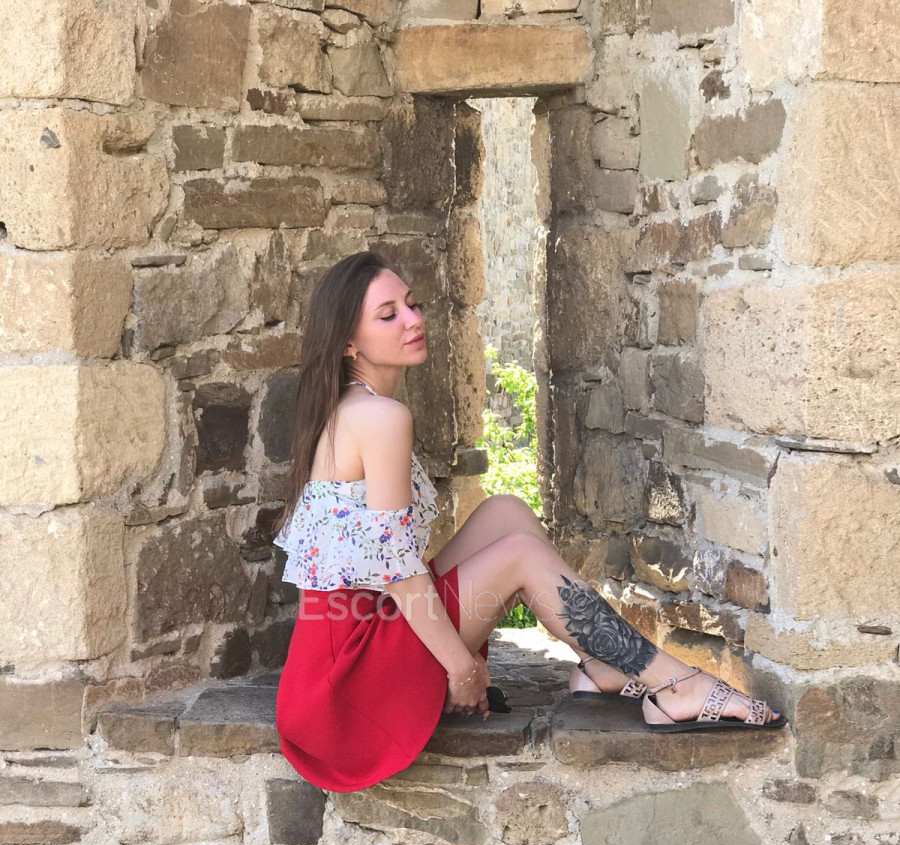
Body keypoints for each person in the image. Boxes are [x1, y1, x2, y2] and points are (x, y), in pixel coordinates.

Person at [273, 251, 785, 792]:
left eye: (412, 304)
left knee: (504, 512)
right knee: (518, 555)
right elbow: (398, 571)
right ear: (348, 344)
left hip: (347, 647)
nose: (413, 319)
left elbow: (387, 568)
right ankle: (676, 685)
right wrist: (461, 667)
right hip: (347, 693)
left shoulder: (356, 407)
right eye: (388, 314)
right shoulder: (380, 417)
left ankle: (598, 663)